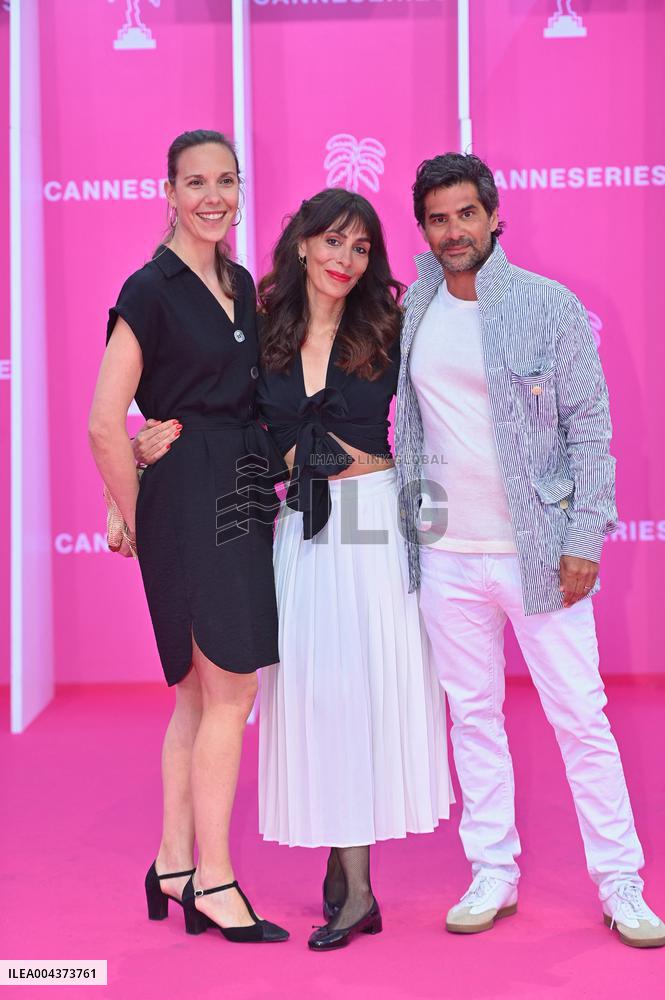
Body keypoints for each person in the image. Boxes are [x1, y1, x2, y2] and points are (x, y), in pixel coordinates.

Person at [135, 188, 452, 952]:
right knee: (317, 698)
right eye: (332, 241)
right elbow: (211, 409)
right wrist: (147, 445)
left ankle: (356, 887)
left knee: (364, 697)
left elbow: (444, 411)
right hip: (297, 533)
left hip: (373, 526)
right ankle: (335, 875)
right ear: (302, 244)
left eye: (360, 247)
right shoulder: (261, 327)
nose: (345, 259)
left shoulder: (391, 323)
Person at [394, 151, 664, 948]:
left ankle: (621, 884)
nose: (453, 231)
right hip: (446, 552)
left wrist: (583, 537)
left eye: (465, 214)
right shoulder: (413, 306)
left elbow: (590, 428)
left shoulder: (548, 306)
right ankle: (492, 871)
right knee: (471, 716)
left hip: (537, 553)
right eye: (437, 219)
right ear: (424, 228)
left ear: (492, 215)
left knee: (580, 717)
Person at [89, 129, 289, 945]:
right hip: (188, 501)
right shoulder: (149, 289)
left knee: (201, 696)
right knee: (231, 693)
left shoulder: (240, 285)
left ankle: (173, 864)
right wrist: (139, 515)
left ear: (239, 191)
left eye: (226, 181)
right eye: (195, 182)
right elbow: (104, 422)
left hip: (238, 487)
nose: (213, 196)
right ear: (168, 192)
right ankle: (216, 880)